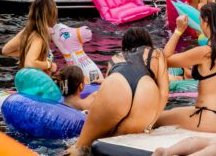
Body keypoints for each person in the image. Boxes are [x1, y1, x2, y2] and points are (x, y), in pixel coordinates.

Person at [67, 26, 168, 156]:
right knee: (115, 145)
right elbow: (164, 93)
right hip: (146, 91)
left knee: (81, 147)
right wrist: (150, 123)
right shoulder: (157, 53)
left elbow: (105, 92)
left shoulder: (115, 58)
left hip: (117, 83)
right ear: (148, 41)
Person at [158, 3, 216, 133]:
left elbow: (165, 59)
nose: (200, 26)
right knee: (172, 112)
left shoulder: (205, 52)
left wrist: (178, 31)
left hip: (210, 117)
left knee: (158, 119)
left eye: (200, 22)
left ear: (206, 23)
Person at [2, 0, 58, 74]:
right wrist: (49, 65)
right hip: (38, 84)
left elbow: (6, 50)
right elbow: (29, 63)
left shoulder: (27, 31)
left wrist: (27, 53)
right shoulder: (39, 38)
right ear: (51, 15)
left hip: (27, 83)